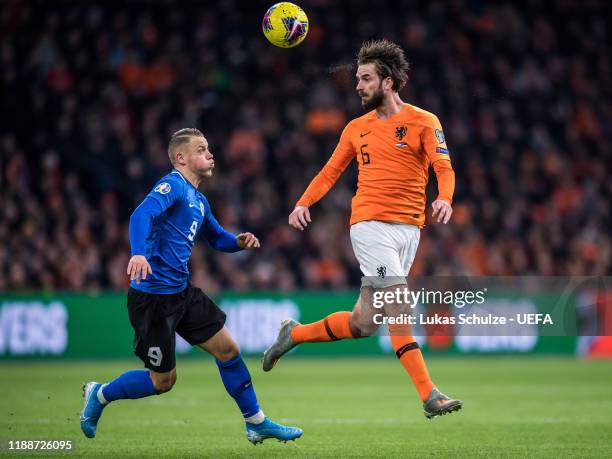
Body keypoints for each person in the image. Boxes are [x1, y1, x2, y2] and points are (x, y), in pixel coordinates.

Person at [263, 40, 462, 419]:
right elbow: (330, 171)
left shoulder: (424, 121)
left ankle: (295, 334)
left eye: (366, 78)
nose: (358, 85)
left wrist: (446, 198)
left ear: (388, 82)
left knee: (364, 323)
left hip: (409, 231)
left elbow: (443, 167)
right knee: (399, 303)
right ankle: (429, 394)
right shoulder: (356, 128)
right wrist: (304, 202)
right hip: (370, 226)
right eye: (357, 78)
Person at [80, 128, 303, 444]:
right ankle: (100, 394)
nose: (210, 154)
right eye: (201, 149)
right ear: (181, 158)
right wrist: (139, 253)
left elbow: (216, 237)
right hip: (152, 300)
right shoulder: (172, 185)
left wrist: (237, 242)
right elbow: (140, 214)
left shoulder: (198, 200)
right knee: (163, 381)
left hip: (181, 293)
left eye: (209, 148)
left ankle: (256, 423)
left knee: (228, 350)